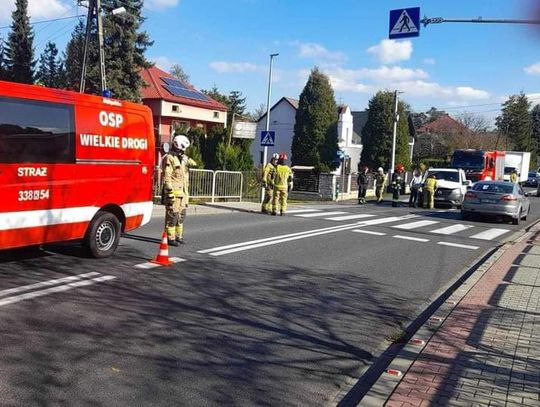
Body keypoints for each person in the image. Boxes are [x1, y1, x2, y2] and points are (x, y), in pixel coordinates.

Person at [162, 134, 197, 246]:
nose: (184, 151)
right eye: (183, 148)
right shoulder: (170, 158)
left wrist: (190, 162)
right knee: (173, 216)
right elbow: (167, 176)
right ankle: (169, 238)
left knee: (181, 216)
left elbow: (186, 174)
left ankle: (178, 237)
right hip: (174, 194)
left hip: (183, 193)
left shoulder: (182, 158)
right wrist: (169, 192)